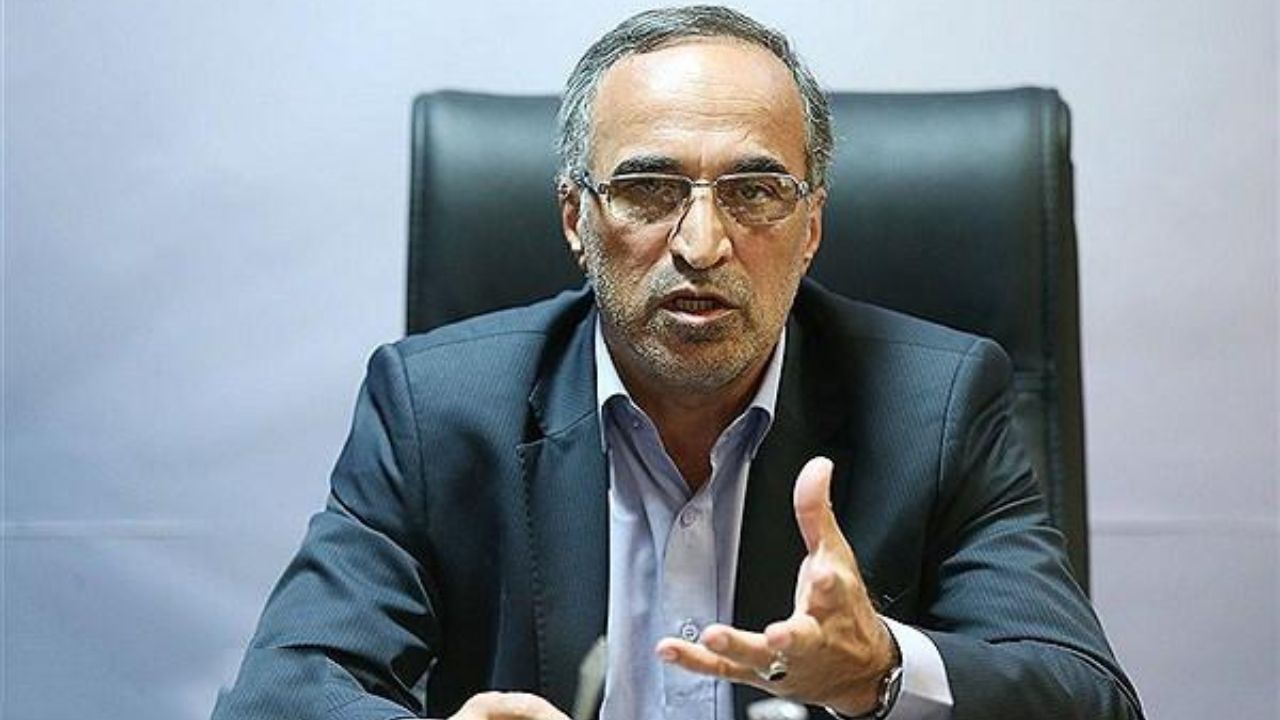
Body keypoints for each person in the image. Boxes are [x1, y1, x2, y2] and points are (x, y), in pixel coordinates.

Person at [213, 6, 1143, 720]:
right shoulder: (433, 408)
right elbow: (281, 695)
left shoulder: (935, 405)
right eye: (650, 189)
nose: (701, 244)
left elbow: (1090, 699)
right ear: (576, 219)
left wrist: (881, 672)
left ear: (812, 226)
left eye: (755, 191)